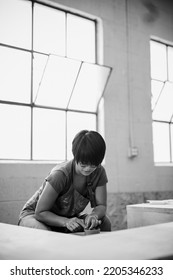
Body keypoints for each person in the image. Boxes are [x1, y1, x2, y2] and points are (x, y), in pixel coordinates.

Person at [18, 130, 111, 233]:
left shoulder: (99, 172)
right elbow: (40, 213)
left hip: (67, 218)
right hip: (35, 216)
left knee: (104, 222)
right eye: (83, 164)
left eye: (93, 165)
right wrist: (66, 222)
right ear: (76, 156)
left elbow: (101, 206)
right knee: (46, 234)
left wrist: (93, 216)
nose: (88, 169)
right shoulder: (60, 174)